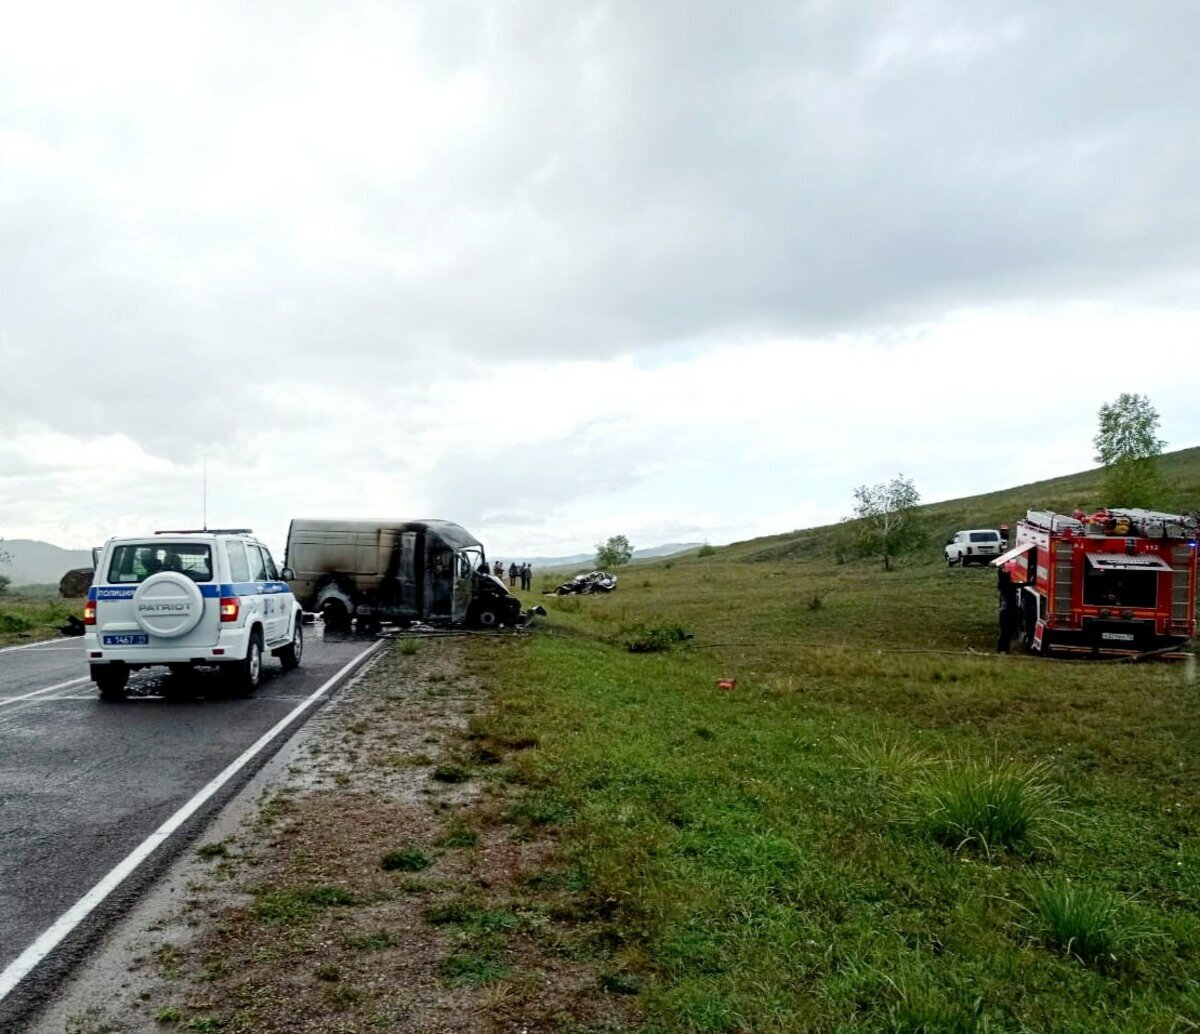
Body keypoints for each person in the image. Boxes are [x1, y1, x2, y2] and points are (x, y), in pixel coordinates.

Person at [997, 566, 1017, 653]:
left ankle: (1001, 648)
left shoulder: (1002, 586)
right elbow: (1019, 585)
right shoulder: (1009, 586)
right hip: (1008, 612)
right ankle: (1005, 649)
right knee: (1007, 632)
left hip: (1003, 612)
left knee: (1004, 632)